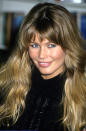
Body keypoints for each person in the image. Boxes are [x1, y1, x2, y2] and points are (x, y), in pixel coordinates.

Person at [0, 2, 86, 131]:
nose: (41, 55)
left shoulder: (82, 92)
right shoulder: (7, 82)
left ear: (68, 46)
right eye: (34, 45)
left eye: (51, 45)